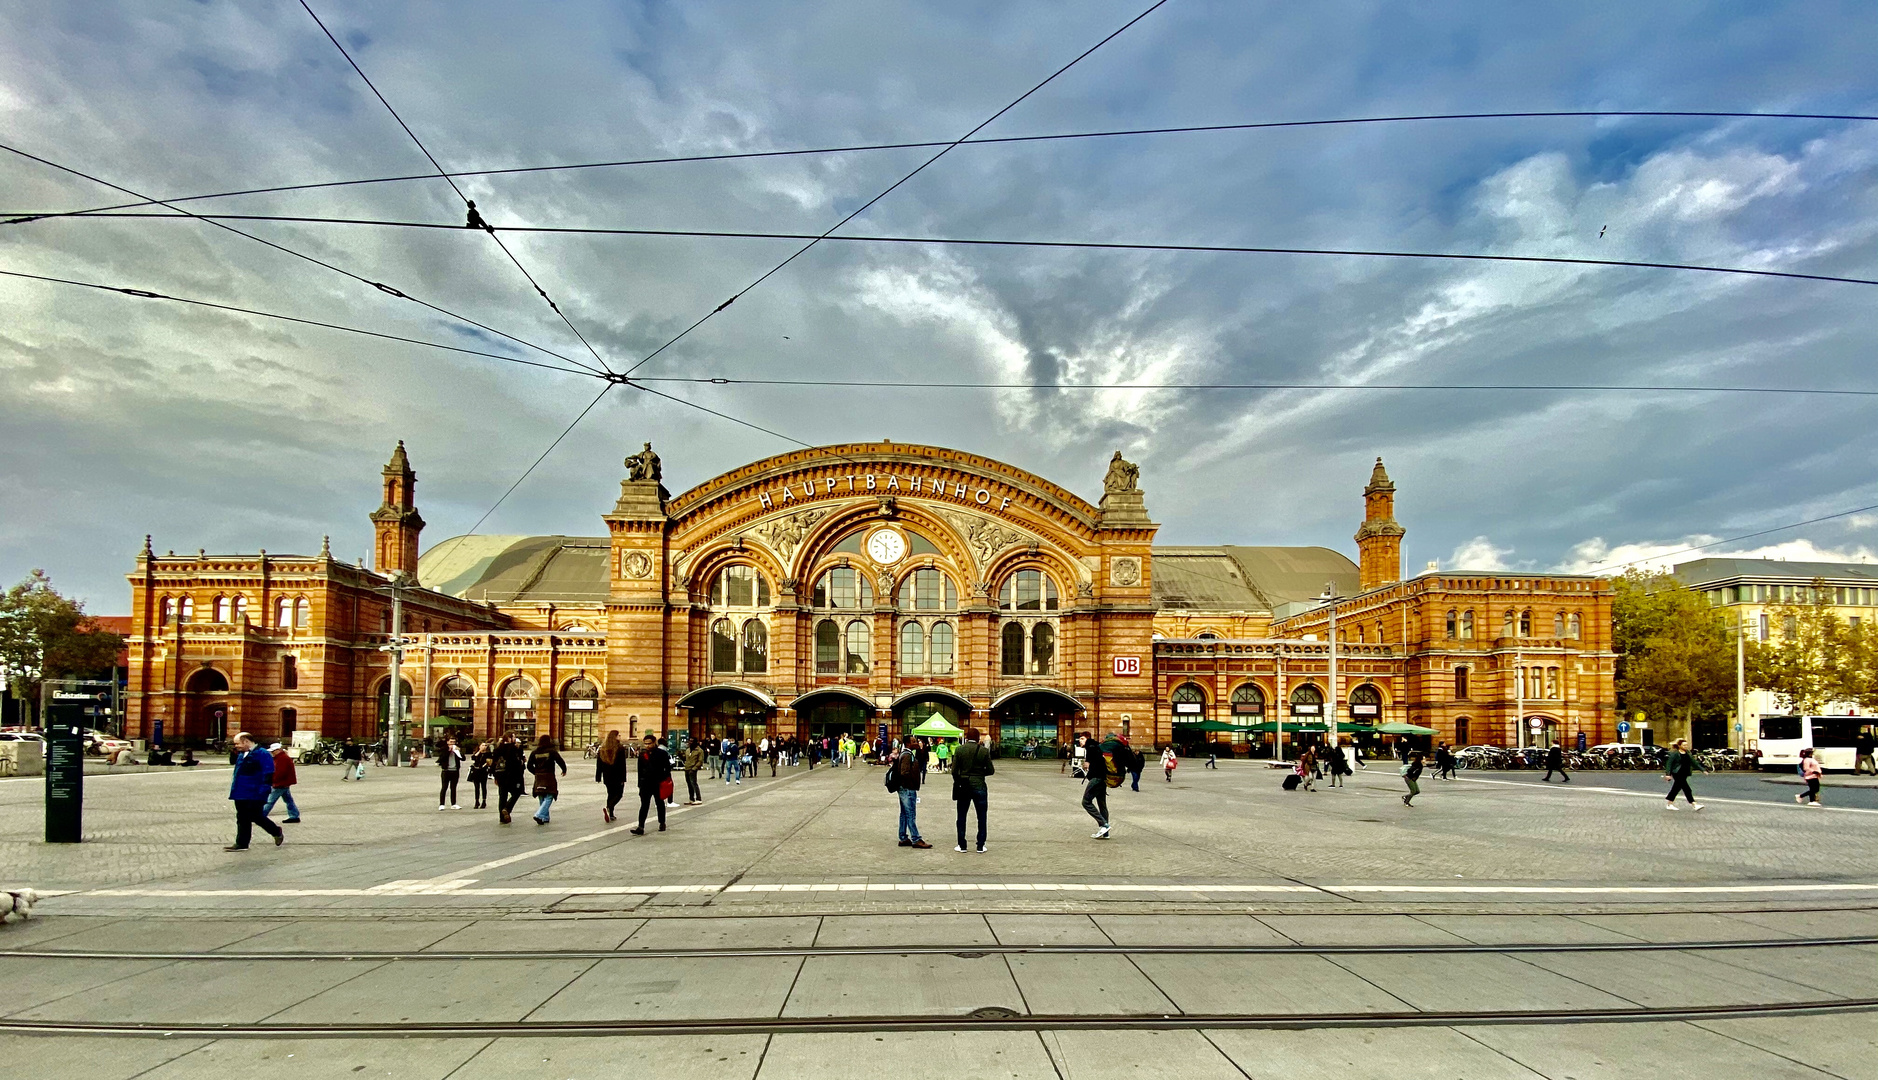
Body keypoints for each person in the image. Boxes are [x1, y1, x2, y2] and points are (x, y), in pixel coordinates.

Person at [226, 732, 284, 851]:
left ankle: (276, 831)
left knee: (256, 816)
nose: (236, 746)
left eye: (237, 743)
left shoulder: (262, 754)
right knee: (242, 817)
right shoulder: (242, 754)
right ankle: (242, 843)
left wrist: (263, 790)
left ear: (246, 741)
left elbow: (268, 773)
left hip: (255, 792)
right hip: (240, 792)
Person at [951, 726, 994, 853]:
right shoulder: (984, 751)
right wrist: (979, 775)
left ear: (966, 737)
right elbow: (991, 770)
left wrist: (959, 780)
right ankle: (980, 845)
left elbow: (954, 771)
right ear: (978, 738)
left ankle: (962, 845)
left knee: (961, 815)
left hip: (964, 785)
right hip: (979, 785)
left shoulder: (959, 750)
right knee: (981, 816)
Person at [890, 737, 931, 848]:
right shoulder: (907, 755)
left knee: (904, 813)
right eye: (914, 742)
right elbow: (904, 772)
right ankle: (916, 838)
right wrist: (910, 784)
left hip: (904, 788)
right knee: (910, 814)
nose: (916, 743)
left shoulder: (905, 754)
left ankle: (903, 837)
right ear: (908, 743)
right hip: (907, 789)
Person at [630, 733, 673, 834]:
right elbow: (639, 770)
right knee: (644, 805)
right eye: (645, 744)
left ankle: (662, 822)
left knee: (660, 804)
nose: (647, 746)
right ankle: (641, 826)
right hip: (645, 784)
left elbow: (667, 768)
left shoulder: (662, 754)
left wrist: (666, 780)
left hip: (658, 783)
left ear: (654, 743)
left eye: (649, 743)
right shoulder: (642, 755)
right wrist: (640, 784)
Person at [1081, 734, 1112, 838]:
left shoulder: (1090, 745)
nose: (1080, 741)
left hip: (1096, 779)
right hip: (1103, 779)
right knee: (1102, 804)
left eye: (1082, 739)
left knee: (1086, 802)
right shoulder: (1099, 748)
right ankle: (1105, 832)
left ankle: (1104, 824)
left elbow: (1090, 752)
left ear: (1087, 738)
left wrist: (1087, 761)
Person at [263, 742, 302, 824]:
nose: (272, 753)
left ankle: (260, 816)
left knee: (270, 801)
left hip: (280, 783)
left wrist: (272, 780)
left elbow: (280, 772)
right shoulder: (281, 757)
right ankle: (294, 815)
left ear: (278, 750)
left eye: (273, 751)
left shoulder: (282, 758)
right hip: (284, 783)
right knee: (288, 800)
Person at [1661, 738, 1702, 811]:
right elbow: (1669, 764)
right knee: (1687, 789)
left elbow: (1693, 762)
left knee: (1676, 788)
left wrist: (1702, 769)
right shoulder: (1675, 754)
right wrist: (1668, 774)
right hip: (1677, 773)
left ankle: (1669, 804)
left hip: (1685, 773)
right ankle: (1694, 804)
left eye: (1686, 745)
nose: (1686, 746)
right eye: (1684, 745)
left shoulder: (1688, 753)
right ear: (1679, 746)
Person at [595, 730, 628, 822]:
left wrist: (598, 776)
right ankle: (609, 807)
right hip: (617, 776)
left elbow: (599, 764)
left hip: (607, 776)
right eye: (618, 735)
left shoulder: (603, 749)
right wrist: (623, 778)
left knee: (610, 794)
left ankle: (611, 813)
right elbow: (622, 765)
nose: (620, 737)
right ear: (615, 737)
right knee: (619, 794)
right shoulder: (620, 748)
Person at [437, 736, 465, 810]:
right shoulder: (444, 749)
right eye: (451, 742)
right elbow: (441, 758)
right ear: (447, 742)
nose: (452, 744)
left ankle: (454, 803)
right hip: (446, 771)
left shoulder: (457, 750)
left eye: (454, 742)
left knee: (453, 788)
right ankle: (442, 804)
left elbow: (463, 758)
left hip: (455, 771)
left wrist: (459, 751)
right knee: (444, 787)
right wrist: (449, 751)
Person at [468, 742, 492, 809]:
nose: (484, 747)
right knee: (476, 787)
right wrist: (479, 751)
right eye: (482, 745)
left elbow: (490, 761)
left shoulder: (488, 754)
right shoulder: (477, 753)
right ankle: (477, 801)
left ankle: (484, 801)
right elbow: (473, 758)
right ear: (479, 746)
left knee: (483, 786)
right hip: (476, 771)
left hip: (483, 771)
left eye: (485, 745)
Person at [681, 738, 705, 804]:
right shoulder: (688, 750)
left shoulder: (699, 750)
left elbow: (700, 761)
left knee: (694, 783)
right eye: (689, 741)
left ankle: (698, 798)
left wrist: (694, 768)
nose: (690, 742)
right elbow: (685, 759)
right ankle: (691, 798)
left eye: (691, 741)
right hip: (687, 768)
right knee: (689, 784)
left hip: (693, 769)